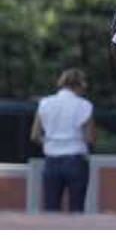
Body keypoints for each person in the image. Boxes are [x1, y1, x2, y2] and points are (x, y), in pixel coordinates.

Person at [30, 68, 96, 213]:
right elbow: (90, 138)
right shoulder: (85, 105)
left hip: (51, 160)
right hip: (76, 160)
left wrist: (50, 143)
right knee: (76, 210)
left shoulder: (45, 103)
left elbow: (35, 135)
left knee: (51, 211)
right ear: (79, 85)